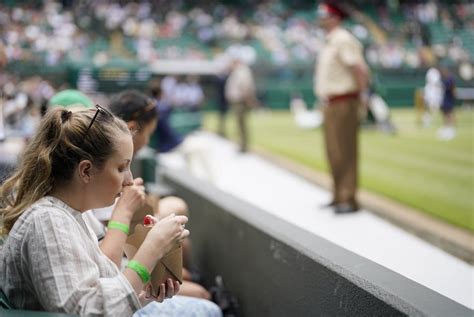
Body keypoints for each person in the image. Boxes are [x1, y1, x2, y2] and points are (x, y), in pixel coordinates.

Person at [0, 107, 220, 316]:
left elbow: (103, 283)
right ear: (86, 170)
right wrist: (152, 249)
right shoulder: (47, 222)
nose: (130, 180)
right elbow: (85, 311)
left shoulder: (70, 213)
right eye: (121, 168)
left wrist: (146, 294)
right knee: (210, 311)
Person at [314, 2, 370, 214]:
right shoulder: (330, 41)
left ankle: (348, 198)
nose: (321, 19)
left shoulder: (343, 39)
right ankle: (338, 195)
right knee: (333, 152)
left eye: (325, 16)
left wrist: (363, 94)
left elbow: (359, 68)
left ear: (335, 18)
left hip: (344, 101)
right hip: (330, 102)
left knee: (345, 151)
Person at [225, 54, 258, 153]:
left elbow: (245, 87)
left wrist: (248, 100)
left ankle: (244, 146)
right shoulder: (238, 71)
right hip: (238, 101)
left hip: (241, 101)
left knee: (242, 124)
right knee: (240, 124)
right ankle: (242, 145)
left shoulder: (242, 71)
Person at [437, 66, 456, 140]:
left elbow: (453, 89)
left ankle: (451, 129)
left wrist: (452, 96)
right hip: (444, 99)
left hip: (449, 99)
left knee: (449, 113)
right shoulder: (443, 78)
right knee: (444, 113)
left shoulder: (450, 78)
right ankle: (446, 127)